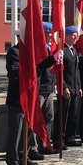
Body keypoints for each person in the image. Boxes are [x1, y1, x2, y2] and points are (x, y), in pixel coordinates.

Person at [5, 36, 43, 165]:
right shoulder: (14, 52)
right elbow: (14, 72)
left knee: (28, 130)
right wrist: (30, 68)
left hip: (31, 98)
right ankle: (12, 159)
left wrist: (51, 59)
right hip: (18, 98)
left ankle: (23, 156)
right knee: (16, 130)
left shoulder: (32, 54)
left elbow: (38, 72)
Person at [53, 25, 83, 150]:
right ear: (67, 36)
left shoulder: (74, 51)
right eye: (74, 35)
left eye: (77, 35)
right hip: (66, 88)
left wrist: (79, 86)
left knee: (73, 114)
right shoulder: (62, 50)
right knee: (62, 116)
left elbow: (76, 71)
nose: (76, 37)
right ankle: (59, 140)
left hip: (75, 88)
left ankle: (70, 137)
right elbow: (59, 72)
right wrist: (64, 87)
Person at [36, 22, 57, 154]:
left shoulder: (50, 47)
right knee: (36, 119)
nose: (51, 36)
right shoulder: (38, 48)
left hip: (49, 87)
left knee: (49, 117)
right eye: (49, 33)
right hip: (40, 87)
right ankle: (33, 147)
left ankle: (44, 144)